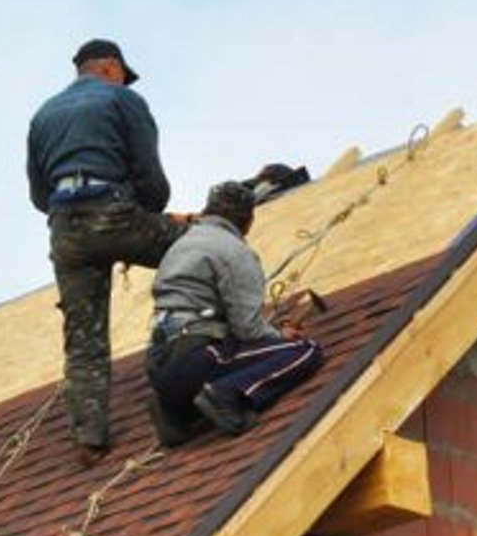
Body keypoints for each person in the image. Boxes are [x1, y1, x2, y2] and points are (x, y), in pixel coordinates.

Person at [27, 38, 187, 462]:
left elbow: (38, 194)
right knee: (199, 246)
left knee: (84, 338)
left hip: (66, 231)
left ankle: (89, 438)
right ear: (111, 68)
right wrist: (147, 216)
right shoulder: (123, 99)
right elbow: (151, 177)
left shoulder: (43, 115)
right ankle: (217, 344)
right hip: (114, 211)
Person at [145, 182, 324, 447]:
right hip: (197, 354)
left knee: (224, 356)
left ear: (208, 210)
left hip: (160, 365)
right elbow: (249, 329)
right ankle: (225, 395)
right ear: (248, 221)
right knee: (305, 350)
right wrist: (280, 335)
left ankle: (176, 411)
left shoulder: (180, 246)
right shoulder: (234, 251)